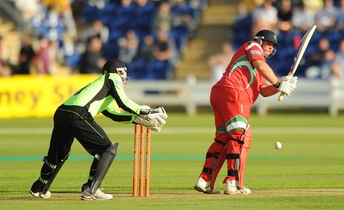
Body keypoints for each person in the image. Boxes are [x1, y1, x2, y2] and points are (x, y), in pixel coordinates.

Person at [29, 59, 168, 200]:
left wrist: (137, 119)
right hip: (78, 113)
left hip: (62, 112)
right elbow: (123, 102)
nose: (125, 76)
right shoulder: (112, 78)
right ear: (119, 71)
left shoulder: (103, 88)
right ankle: (91, 189)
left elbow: (113, 113)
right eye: (124, 72)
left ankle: (39, 187)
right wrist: (146, 111)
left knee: (59, 154)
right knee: (107, 148)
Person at [194, 30, 297, 195]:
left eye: (273, 47)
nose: (271, 48)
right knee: (240, 137)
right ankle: (233, 182)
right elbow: (262, 66)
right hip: (234, 93)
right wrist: (278, 83)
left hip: (220, 93)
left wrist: (283, 84)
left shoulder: (256, 68)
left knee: (222, 139)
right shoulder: (253, 46)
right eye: (269, 44)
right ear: (260, 41)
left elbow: (263, 90)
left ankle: (205, 180)